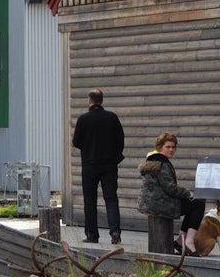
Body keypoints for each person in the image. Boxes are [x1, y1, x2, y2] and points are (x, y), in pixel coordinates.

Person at [137, 132, 206, 255]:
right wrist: (189, 193)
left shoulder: (154, 160)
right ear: (160, 147)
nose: (171, 150)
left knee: (194, 204)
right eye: (168, 147)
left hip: (154, 202)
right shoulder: (161, 163)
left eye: (173, 147)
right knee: (198, 203)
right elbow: (170, 188)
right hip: (161, 204)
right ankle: (188, 241)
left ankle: (181, 241)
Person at [71, 88, 124, 244]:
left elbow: (76, 142)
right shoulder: (112, 118)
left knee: (90, 201)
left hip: (89, 165)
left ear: (89, 101)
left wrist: (88, 149)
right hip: (109, 166)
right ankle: (115, 232)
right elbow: (120, 140)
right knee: (111, 199)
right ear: (102, 100)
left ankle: (92, 235)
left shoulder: (83, 119)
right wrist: (115, 157)